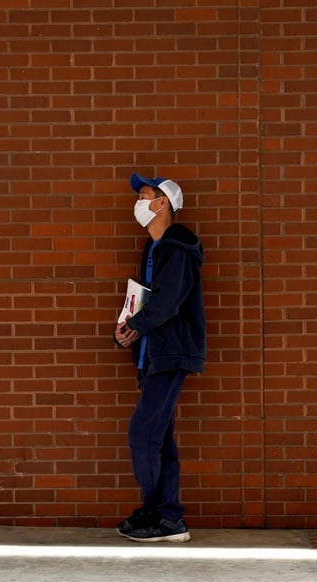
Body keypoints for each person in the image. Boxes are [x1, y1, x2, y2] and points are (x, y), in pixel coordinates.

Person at [113, 173, 205, 543]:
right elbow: (149, 302)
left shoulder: (177, 248)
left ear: (162, 203)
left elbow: (167, 302)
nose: (138, 200)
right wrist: (128, 331)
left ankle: (161, 513)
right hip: (154, 357)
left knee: (143, 434)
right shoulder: (154, 248)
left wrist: (137, 324)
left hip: (171, 355)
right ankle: (167, 517)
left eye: (145, 194)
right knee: (159, 439)